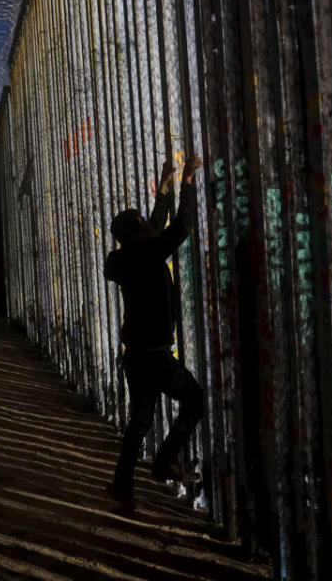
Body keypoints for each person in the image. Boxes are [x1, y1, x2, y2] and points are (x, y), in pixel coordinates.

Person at [103, 155, 205, 514]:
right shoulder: (146, 255)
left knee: (141, 420)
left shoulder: (130, 257)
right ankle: (162, 463)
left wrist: (164, 187)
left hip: (137, 356)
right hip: (156, 357)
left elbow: (156, 227)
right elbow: (180, 227)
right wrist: (188, 183)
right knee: (195, 400)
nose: (150, 224)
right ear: (136, 234)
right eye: (143, 223)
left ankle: (122, 484)